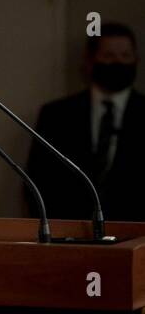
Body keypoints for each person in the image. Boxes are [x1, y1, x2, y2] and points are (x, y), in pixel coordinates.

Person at [26, 23, 143, 221]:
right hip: (70, 235)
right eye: (108, 56)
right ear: (90, 61)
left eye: (125, 56)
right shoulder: (56, 115)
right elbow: (37, 179)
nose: (117, 62)